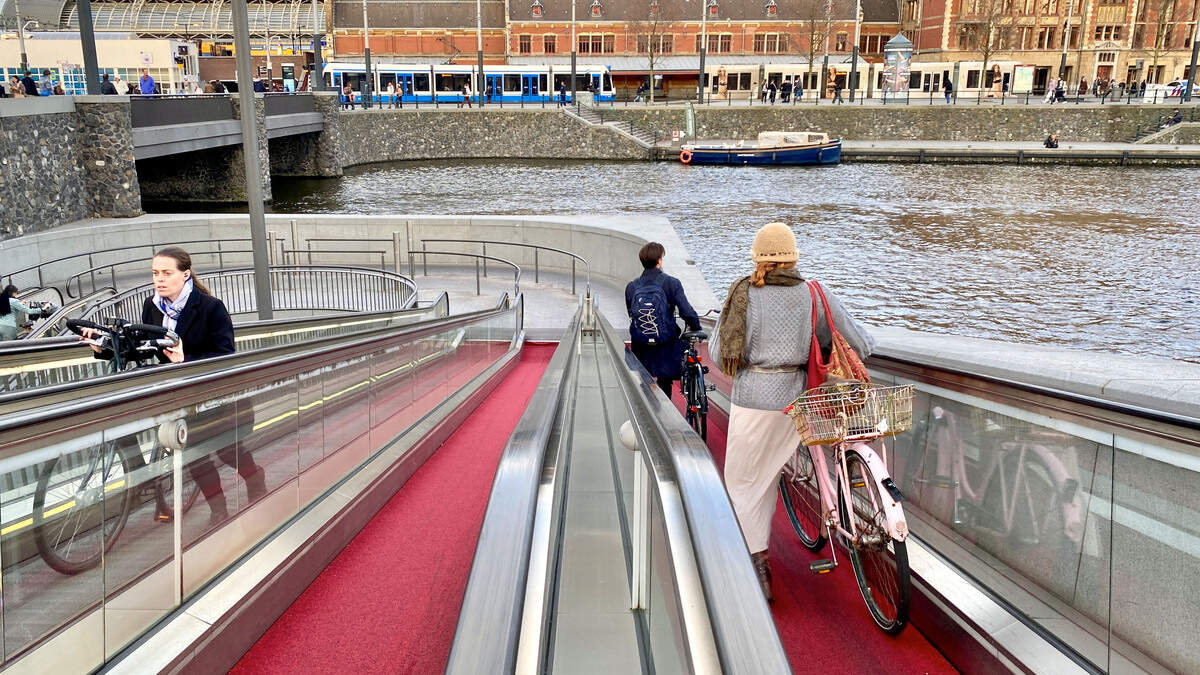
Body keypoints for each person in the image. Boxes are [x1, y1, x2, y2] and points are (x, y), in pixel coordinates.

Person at [708, 222, 875, 601]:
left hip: (753, 400)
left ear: (758, 258)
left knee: (744, 482)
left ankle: (757, 563)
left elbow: (720, 354)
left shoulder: (743, 294)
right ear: (793, 257)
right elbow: (860, 341)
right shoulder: (815, 293)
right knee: (767, 475)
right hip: (799, 401)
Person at [84, 248, 265, 525]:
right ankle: (218, 509)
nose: (159, 279)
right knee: (194, 456)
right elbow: (142, 349)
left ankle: (256, 480)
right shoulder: (152, 306)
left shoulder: (210, 307)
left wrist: (186, 359)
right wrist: (103, 348)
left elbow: (226, 355)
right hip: (176, 397)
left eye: (167, 273)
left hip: (213, 395)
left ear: (185, 274)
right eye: (155, 273)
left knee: (228, 451)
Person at [625, 242, 701, 399]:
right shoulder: (672, 283)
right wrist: (695, 326)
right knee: (665, 381)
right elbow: (686, 311)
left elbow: (631, 314)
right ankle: (664, 415)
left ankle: (645, 412)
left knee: (642, 380)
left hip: (641, 343)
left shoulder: (632, 286)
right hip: (665, 343)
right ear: (659, 261)